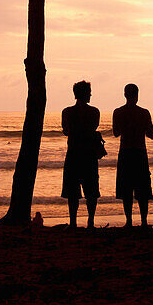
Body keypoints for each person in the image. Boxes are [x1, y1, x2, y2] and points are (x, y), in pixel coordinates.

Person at [112, 83, 153, 227]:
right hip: (140, 152)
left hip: (125, 152)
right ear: (137, 95)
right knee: (142, 190)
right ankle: (143, 221)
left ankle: (129, 221)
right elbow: (151, 134)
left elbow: (116, 132)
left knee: (126, 189)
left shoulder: (118, 112)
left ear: (125, 95)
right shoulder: (144, 113)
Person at [61, 80, 101, 228]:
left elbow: (66, 131)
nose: (90, 94)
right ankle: (90, 221)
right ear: (86, 94)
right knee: (91, 190)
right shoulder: (94, 112)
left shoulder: (67, 112)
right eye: (89, 92)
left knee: (72, 192)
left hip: (73, 154)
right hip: (89, 154)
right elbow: (93, 127)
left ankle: (73, 222)